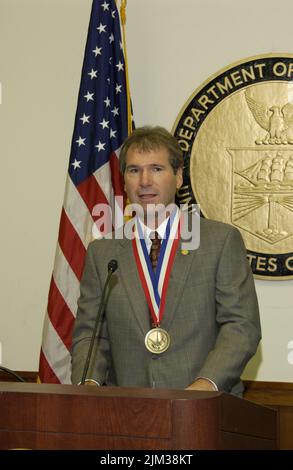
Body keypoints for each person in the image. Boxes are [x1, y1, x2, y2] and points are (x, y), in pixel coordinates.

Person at [71, 126, 261, 395]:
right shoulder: (103, 252)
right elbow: (90, 334)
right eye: (134, 170)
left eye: (157, 169)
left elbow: (242, 326)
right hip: (126, 410)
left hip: (205, 407)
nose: (145, 181)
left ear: (179, 177)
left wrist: (205, 385)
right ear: (124, 181)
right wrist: (88, 384)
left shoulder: (219, 242)